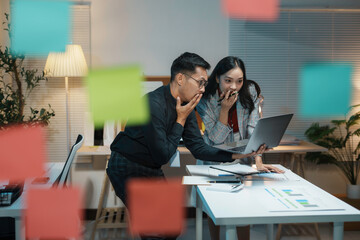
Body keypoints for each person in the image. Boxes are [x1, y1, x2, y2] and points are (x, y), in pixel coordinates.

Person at [106, 52, 267, 240]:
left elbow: (198, 147)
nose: (202, 89)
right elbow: (163, 156)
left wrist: (235, 156)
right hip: (126, 166)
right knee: (155, 228)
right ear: (180, 78)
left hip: (150, 166)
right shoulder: (153, 103)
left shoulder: (187, 104)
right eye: (200, 82)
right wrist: (180, 120)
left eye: (204, 83)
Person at [196, 56, 283, 240]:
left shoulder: (250, 91)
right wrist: (225, 110)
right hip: (213, 159)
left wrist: (258, 160)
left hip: (240, 158)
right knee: (215, 208)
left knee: (244, 207)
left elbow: (254, 129)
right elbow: (216, 138)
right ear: (218, 77)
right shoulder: (205, 98)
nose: (234, 86)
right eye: (228, 81)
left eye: (239, 81)